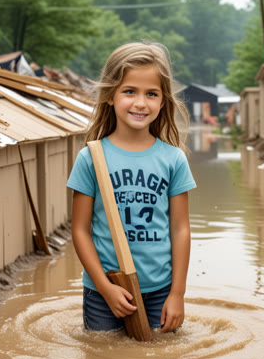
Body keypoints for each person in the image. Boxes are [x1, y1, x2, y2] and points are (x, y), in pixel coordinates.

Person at [67, 42, 196, 333]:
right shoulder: (91, 158)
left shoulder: (173, 160)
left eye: (151, 94)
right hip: (103, 292)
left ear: (163, 101)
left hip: (160, 291)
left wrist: (177, 294)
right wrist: (104, 287)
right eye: (129, 91)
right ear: (110, 96)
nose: (141, 103)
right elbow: (79, 230)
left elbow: (180, 229)